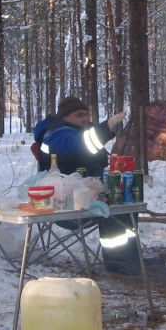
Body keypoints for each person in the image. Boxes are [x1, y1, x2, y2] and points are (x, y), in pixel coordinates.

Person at [33, 96, 141, 275]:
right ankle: (117, 262)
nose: (85, 119)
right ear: (65, 117)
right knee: (113, 205)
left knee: (127, 200)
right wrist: (107, 126)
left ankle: (130, 257)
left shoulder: (74, 131)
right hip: (66, 203)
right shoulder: (57, 134)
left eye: (86, 114)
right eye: (79, 115)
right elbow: (77, 146)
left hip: (86, 192)